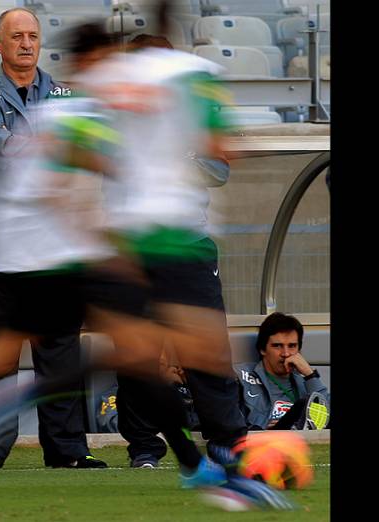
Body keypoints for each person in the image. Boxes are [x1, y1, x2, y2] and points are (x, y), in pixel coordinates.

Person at [0, 20, 295, 511]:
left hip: (27, 255)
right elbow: (66, 185)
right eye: (111, 61)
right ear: (93, 62)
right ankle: (192, 462)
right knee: (130, 350)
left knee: (4, 359)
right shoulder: (81, 112)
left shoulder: (68, 108)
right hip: (49, 257)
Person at [0, 7, 105, 470]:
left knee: (59, 347)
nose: (26, 43)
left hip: (52, 237)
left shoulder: (65, 93)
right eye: (16, 36)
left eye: (33, 36)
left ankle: (67, 451)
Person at [98, 31, 249, 470]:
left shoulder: (195, 109)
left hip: (189, 244)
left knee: (206, 351)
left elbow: (219, 171)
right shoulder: (114, 111)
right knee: (137, 355)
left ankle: (228, 444)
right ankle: (144, 447)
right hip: (133, 247)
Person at [234, 312, 331, 430]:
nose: (285, 353)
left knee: (308, 403)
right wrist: (262, 428)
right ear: (262, 349)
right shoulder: (241, 377)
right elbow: (227, 422)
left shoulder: (306, 382)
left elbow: (326, 418)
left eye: (292, 346)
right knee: (302, 406)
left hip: (303, 442)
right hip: (262, 441)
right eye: (277, 346)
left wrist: (310, 375)